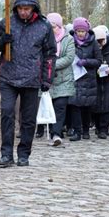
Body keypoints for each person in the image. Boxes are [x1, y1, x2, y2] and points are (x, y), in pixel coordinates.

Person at [0, 0, 57, 167]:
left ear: (34, 8)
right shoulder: (7, 23)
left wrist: (47, 78)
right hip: (8, 76)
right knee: (7, 112)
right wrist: (2, 41)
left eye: (27, 8)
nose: (23, 12)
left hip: (32, 78)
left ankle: (24, 153)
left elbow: (50, 54)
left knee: (28, 119)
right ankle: (6, 154)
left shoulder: (44, 26)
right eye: (20, 8)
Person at [68, 17, 102, 141]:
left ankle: (86, 130)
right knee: (74, 105)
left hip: (88, 79)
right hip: (75, 78)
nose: (81, 33)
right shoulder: (70, 41)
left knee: (86, 107)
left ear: (87, 31)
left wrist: (86, 62)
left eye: (83, 31)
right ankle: (77, 131)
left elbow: (99, 60)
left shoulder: (93, 43)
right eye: (78, 31)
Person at [46, 12, 75, 146]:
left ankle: (56, 134)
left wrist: (52, 64)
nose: (50, 29)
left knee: (60, 106)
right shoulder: (44, 38)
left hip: (64, 79)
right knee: (49, 106)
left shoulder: (68, 39)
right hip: (47, 79)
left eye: (52, 26)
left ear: (58, 26)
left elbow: (69, 58)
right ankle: (51, 130)